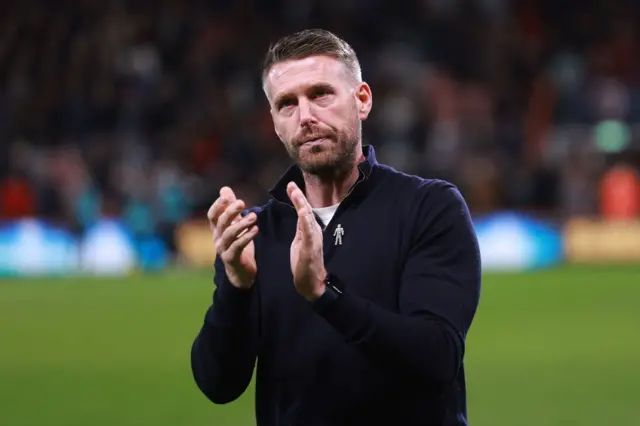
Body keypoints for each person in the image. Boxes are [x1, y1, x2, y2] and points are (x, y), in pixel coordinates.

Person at [190, 29, 482, 426]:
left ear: (362, 100)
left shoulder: (428, 208)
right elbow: (217, 385)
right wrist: (237, 287)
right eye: (287, 104)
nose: (306, 116)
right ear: (275, 124)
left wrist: (325, 296)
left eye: (321, 94)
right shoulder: (257, 234)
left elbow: (436, 359)